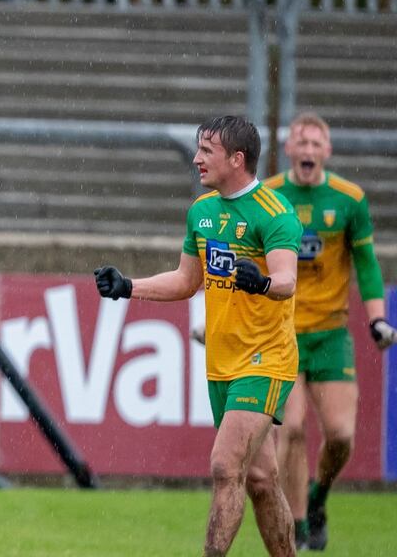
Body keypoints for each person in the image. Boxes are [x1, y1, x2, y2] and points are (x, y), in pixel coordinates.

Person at [95, 116, 301, 557]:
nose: (196, 159)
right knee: (262, 481)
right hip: (221, 364)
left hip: (265, 360)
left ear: (237, 159)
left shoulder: (275, 213)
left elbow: (286, 281)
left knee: (225, 466)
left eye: (206, 151)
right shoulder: (202, 212)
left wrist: (260, 281)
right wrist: (129, 286)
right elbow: (188, 280)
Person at [264, 113, 396, 551]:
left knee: (340, 436)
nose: (307, 149)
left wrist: (377, 318)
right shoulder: (269, 197)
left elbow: (367, 265)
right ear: (288, 150)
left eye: (315, 143)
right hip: (283, 332)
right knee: (294, 428)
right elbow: (251, 262)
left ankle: (318, 497)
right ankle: (299, 528)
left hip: (331, 334)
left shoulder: (349, 199)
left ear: (327, 151)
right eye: (300, 142)